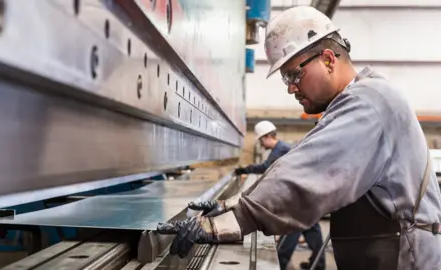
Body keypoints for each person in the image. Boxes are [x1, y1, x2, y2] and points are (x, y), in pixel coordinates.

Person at [157, 6, 441, 270]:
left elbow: (307, 174)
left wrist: (224, 223)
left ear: (328, 60)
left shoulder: (369, 103)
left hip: (406, 258)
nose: (291, 89)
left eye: (295, 74)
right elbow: (297, 161)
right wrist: (229, 204)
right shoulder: (353, 103)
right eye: (286, 79)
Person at [234, 120, 325, 270]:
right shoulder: (281, 148)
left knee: (293, 228)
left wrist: (245, 169)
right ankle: (318, 264)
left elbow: (267, 168)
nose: (261, 145)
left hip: (300, 196)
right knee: (312, 229)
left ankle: (281, 262)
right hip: (304, 194)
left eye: (262, 140)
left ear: (268, 136)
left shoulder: (280, 149)